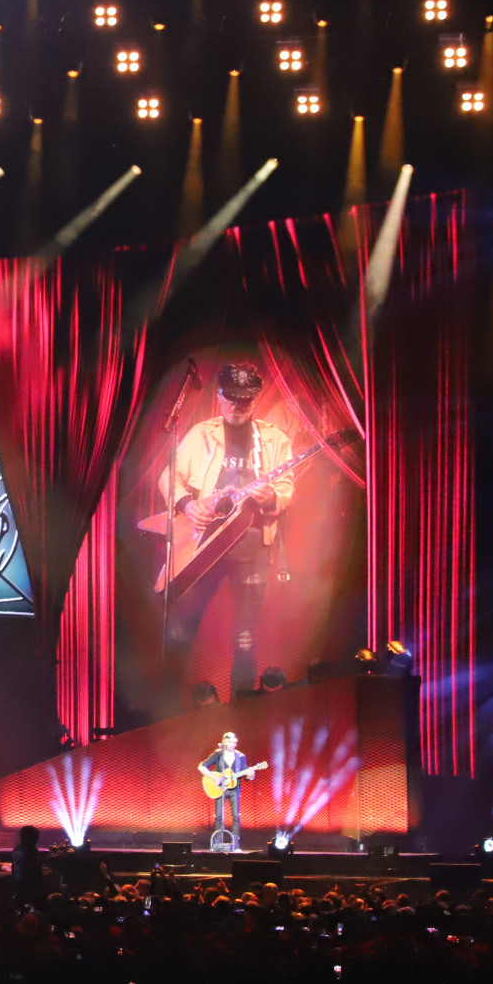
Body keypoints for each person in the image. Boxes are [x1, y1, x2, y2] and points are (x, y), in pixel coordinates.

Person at [160, 361, 295, 699]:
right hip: (202, 546)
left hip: (251, 549)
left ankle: (243, 711)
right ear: (219, 396)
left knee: (245, 636)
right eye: (231, 398)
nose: (238, 406)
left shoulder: (275, 439)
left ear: (255, 399)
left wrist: (271, 496)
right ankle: (169, 708)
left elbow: (287, 488)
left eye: (245, 400)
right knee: (181, 628)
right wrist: (187, 505)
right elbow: (169, 476)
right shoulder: (201, 434)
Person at [198, 731, 256, 851]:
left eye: (233, 742)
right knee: (219, 817)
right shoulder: (218, 754)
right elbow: (202, 766)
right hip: (220, 789)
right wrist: (214, 778)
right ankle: (218, 844)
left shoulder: (240, 756)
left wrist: (251, 775)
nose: (232, 744)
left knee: (236, 816)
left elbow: (246, 773)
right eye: (229, 741)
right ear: (224, 742)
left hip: (234, 790)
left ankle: (235, 845)